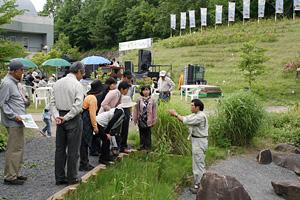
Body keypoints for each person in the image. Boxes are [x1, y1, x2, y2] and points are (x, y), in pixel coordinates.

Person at [50, 61, 85, 185]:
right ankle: (72, 177)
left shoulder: (57, 83)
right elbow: (77, 105)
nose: (83, 76)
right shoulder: (77, 85)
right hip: (73, 118)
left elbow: (52, 103)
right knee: (73, 150)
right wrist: (67, 117)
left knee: (59, 149)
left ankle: (59, 177)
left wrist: (57, 116)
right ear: (79, 71)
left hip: (59, 116)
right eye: (83, 73)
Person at [168, 99, 208, 194]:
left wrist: (175, 114)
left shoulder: (200, 116)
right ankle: (202, 184)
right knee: (198, 163)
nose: (191, 107)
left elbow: (185, 120)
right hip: (198, 140)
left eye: (192, 106)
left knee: (198, 164)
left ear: (197, 107)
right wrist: (176, 115)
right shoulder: (196, 115)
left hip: (199, 141)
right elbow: (185, 119)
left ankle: (200, 186)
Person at [0, 60, 30, 185]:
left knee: (19, 148)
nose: (23, 73)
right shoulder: (7, 83)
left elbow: (14, 101)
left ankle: (15, 173)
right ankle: (10, 177)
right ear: (15, 71)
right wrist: (14, 116)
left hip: (19, 121)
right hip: (14, 122)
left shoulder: (15, 83)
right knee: (13, 149)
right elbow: (3, 103)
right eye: (22, 70)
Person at [96, 97, 136, 165]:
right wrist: (107, 133)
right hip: (99, 123)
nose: (131, 109)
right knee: (106, 140)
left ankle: (106, 157)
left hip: (102, 124)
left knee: (107, 141)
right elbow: (112, 121)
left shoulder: (121, 111)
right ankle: (103, 159)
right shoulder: (120, 112)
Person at [90, 77, 118, 156]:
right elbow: (102, 104)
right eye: (114, 84)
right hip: (99, 114)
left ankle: (96, 150)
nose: (115, 86)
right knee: (98, 133)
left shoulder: (103, 92)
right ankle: (96, 150)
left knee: (96, 134)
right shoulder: (105, 92)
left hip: (98, 113)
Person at [79, 80, 103, 171]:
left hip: (83, 118)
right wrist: (95, 126)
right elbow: (92, 114)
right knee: (85, 142)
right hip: (87, 120)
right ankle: (84, 164)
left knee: (83, 143)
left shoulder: (88, 96)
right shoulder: (93, 99)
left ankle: (84, 162)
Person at [133, 85, 157, 151]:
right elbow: (136, 110)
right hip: (141, 119)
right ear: (141, 91)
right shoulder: (139, 99)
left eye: (147, 90)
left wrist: (154, 120)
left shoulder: (152, 100)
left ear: (150, 91)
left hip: (148, 119)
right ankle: (142, 146)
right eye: (144, 90)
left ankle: (148, 147)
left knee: (148, 133)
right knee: (142, 133)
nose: (146, 92)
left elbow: (154, 111)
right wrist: (135, 119)